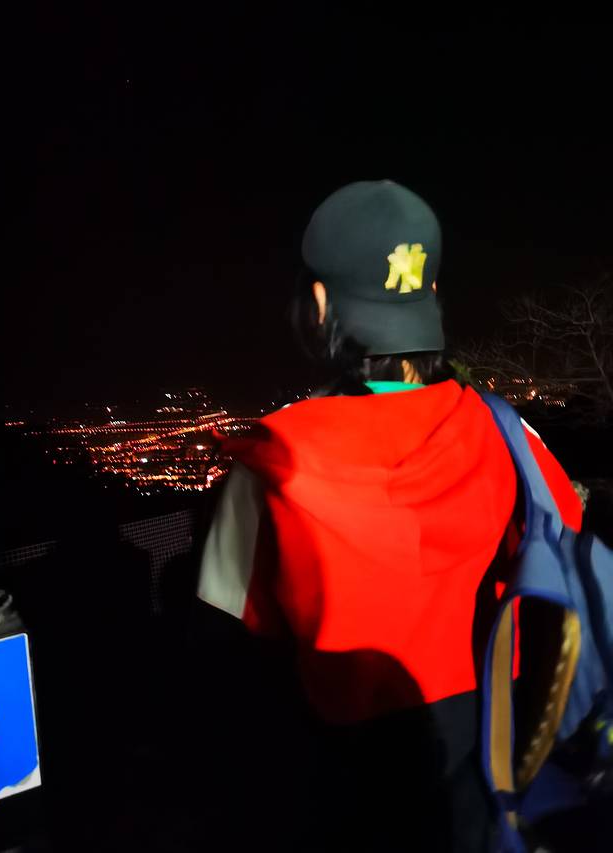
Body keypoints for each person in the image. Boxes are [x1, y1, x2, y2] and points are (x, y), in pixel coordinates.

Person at [194, 181, 583, 851]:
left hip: (336, 791)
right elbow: (567, 551)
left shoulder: (273, 463)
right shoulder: (512, 437)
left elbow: (226, 650)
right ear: (428, 293)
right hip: (485, 785)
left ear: (320, 304)